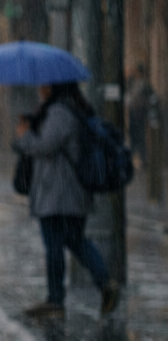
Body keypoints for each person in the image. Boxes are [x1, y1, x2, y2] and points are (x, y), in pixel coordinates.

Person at [13, 81, 120, 317]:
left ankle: (56, 300)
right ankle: (104, 284)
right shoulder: (64, 109)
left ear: (52, 88)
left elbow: (44, 146)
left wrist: (24, 135)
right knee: (74, 241)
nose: (39, 88)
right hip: (64, 194)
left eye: (43, 85)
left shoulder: (60, 112)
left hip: (59, 195)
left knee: (55, 246)